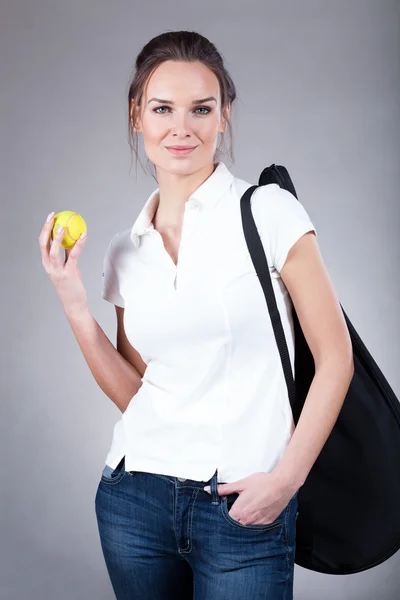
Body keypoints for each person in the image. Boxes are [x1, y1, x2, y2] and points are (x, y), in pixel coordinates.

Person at [38, 29, 354, 600]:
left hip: (240, 507)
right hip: (134, 500)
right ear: (138, 115)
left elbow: (336, 358)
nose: (180, 128)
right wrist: (73, 299)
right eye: (162, 108)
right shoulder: (125, 249)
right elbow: (137, 393)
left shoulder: (269, 212)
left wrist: (286, 481)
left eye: (201, 109)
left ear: (223, 116)